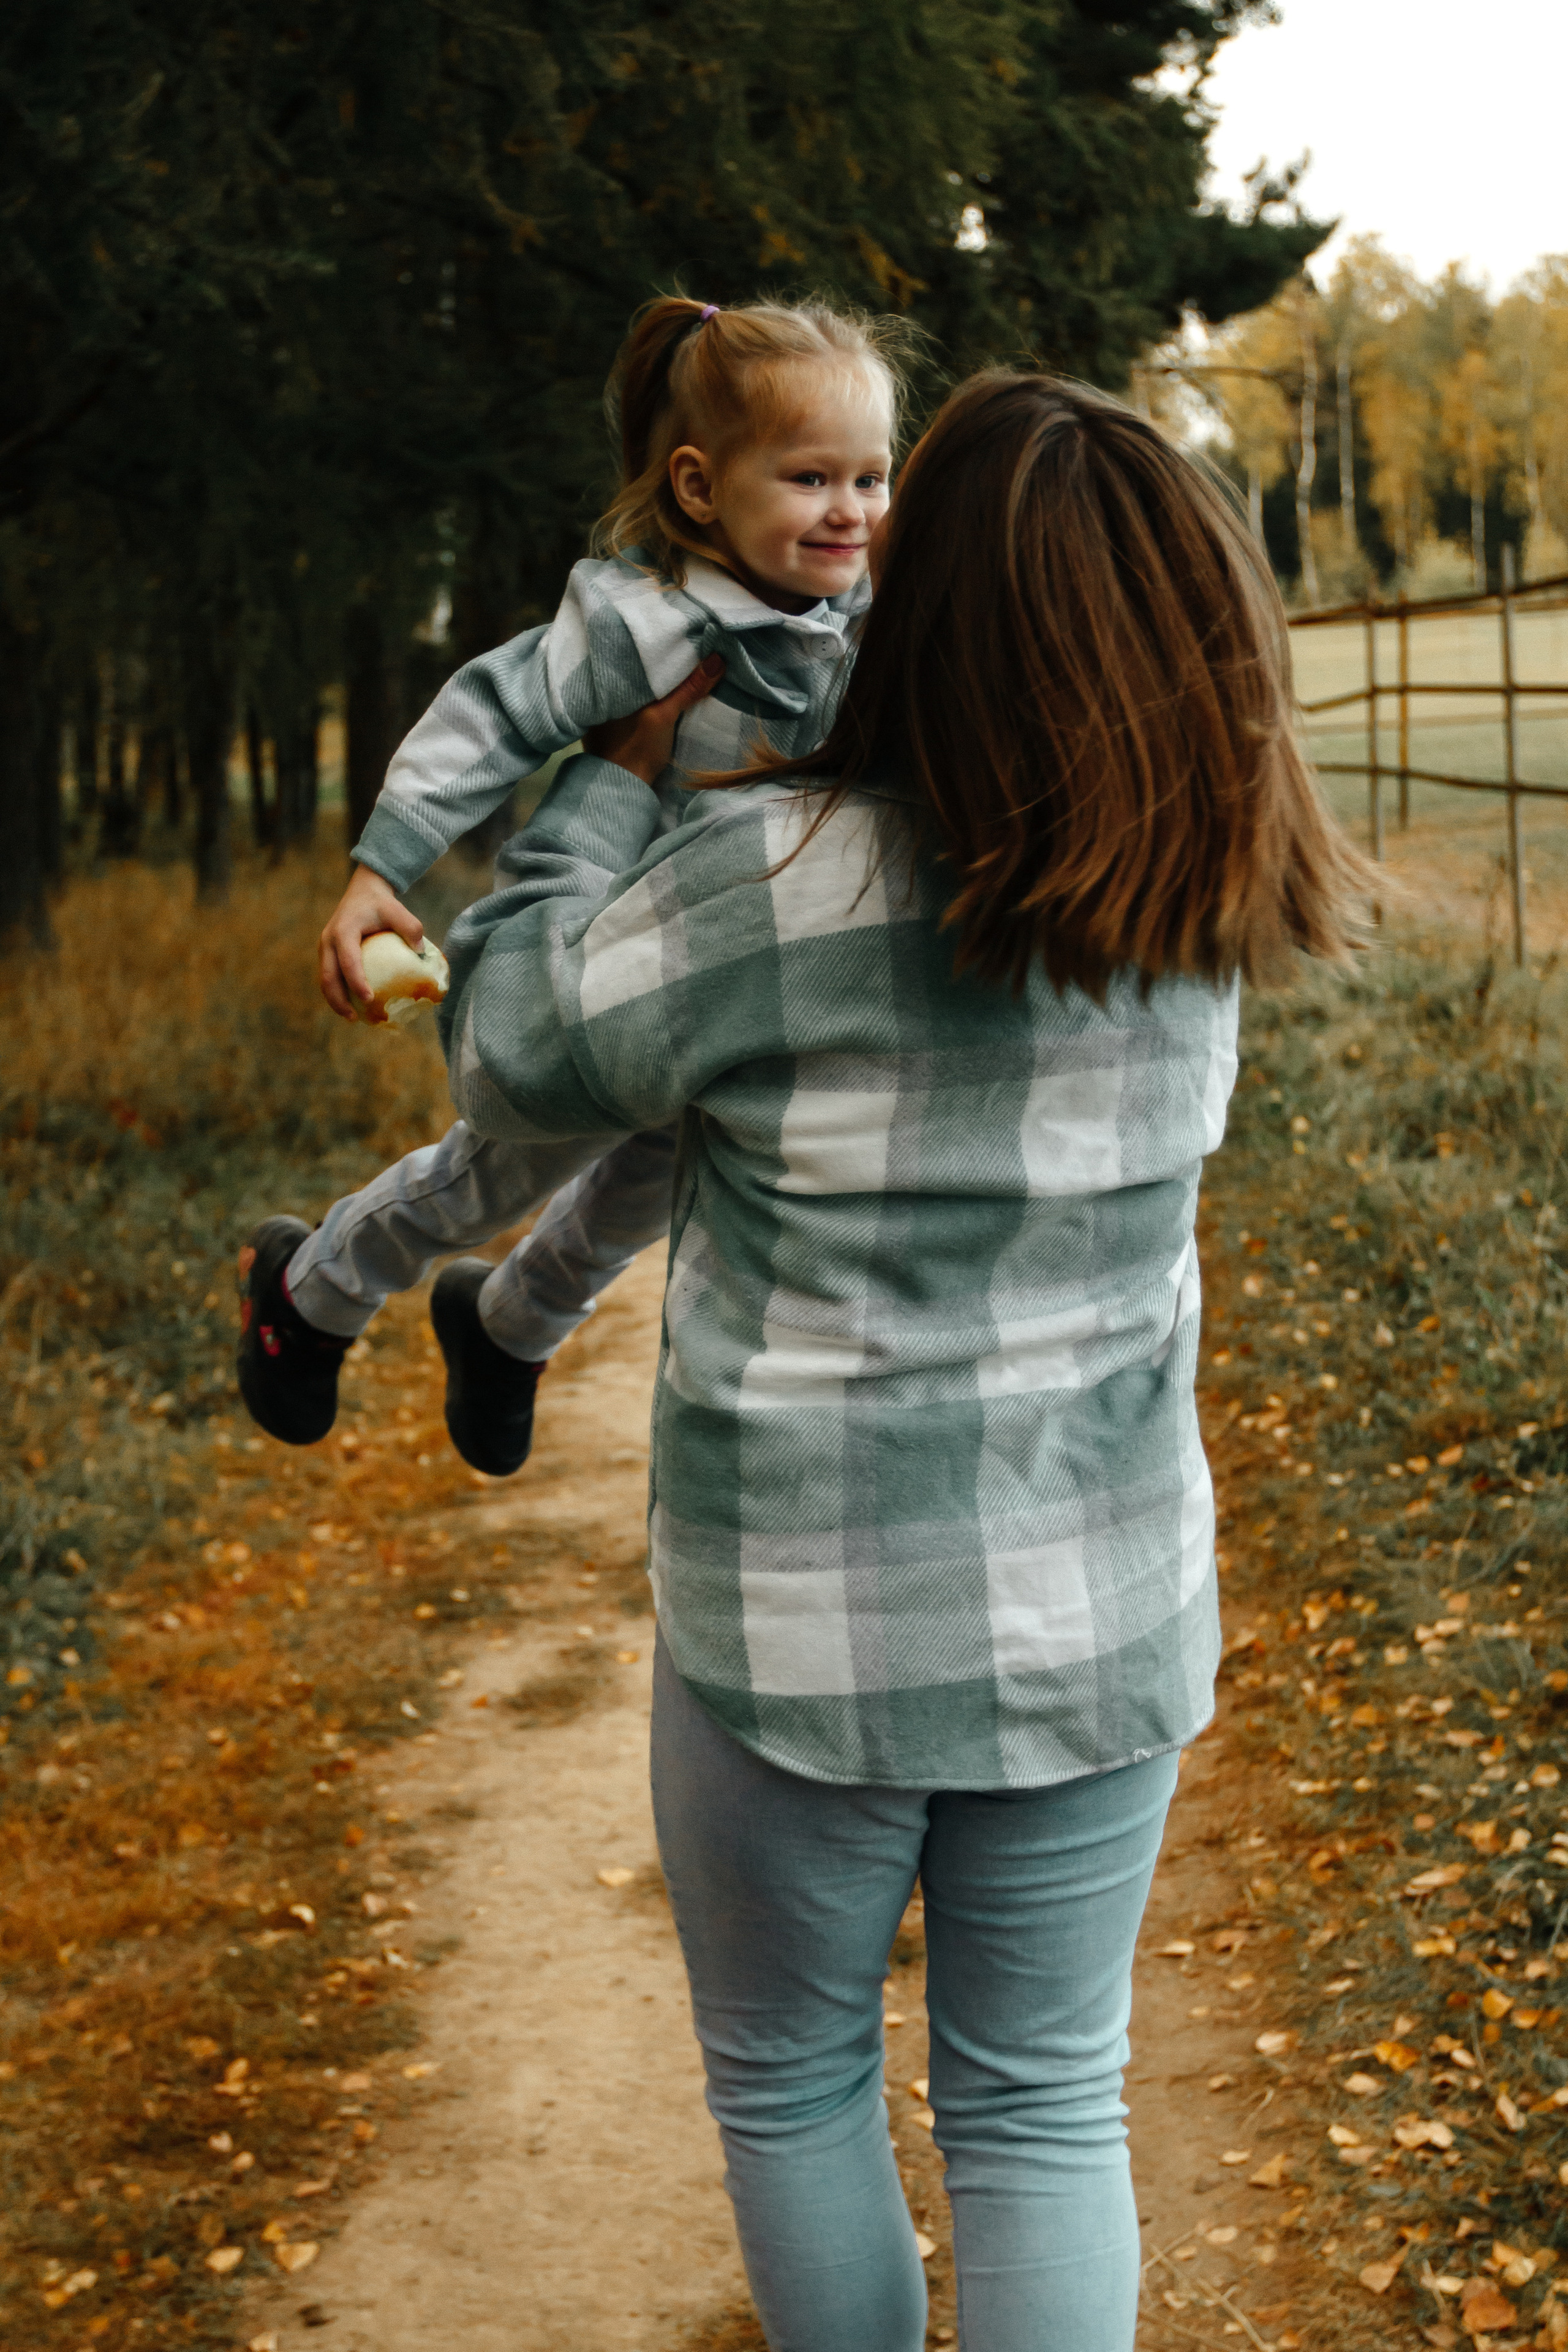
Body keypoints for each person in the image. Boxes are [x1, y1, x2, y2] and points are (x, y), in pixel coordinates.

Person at [435, 371, 1369, 2351]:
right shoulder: (1198, 906)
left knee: (790, 2081)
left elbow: (511, 1059)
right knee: (1043, 2107)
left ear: (923, 600)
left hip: (796, 1633)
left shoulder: (774, 891)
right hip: (1102, 1620)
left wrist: (612, 775)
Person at [236, 292, 907, 1474]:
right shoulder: (646, 620)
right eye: (810, 479)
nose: (849, 511)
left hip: (728, 968)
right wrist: (377, 871)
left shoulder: (866, 623)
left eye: (872, 478)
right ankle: (310, 1285)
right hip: (607, 960)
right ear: (701, 489)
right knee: (511, 1160)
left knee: (668, 1167)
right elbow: (489, 716)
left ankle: (511, 1325)